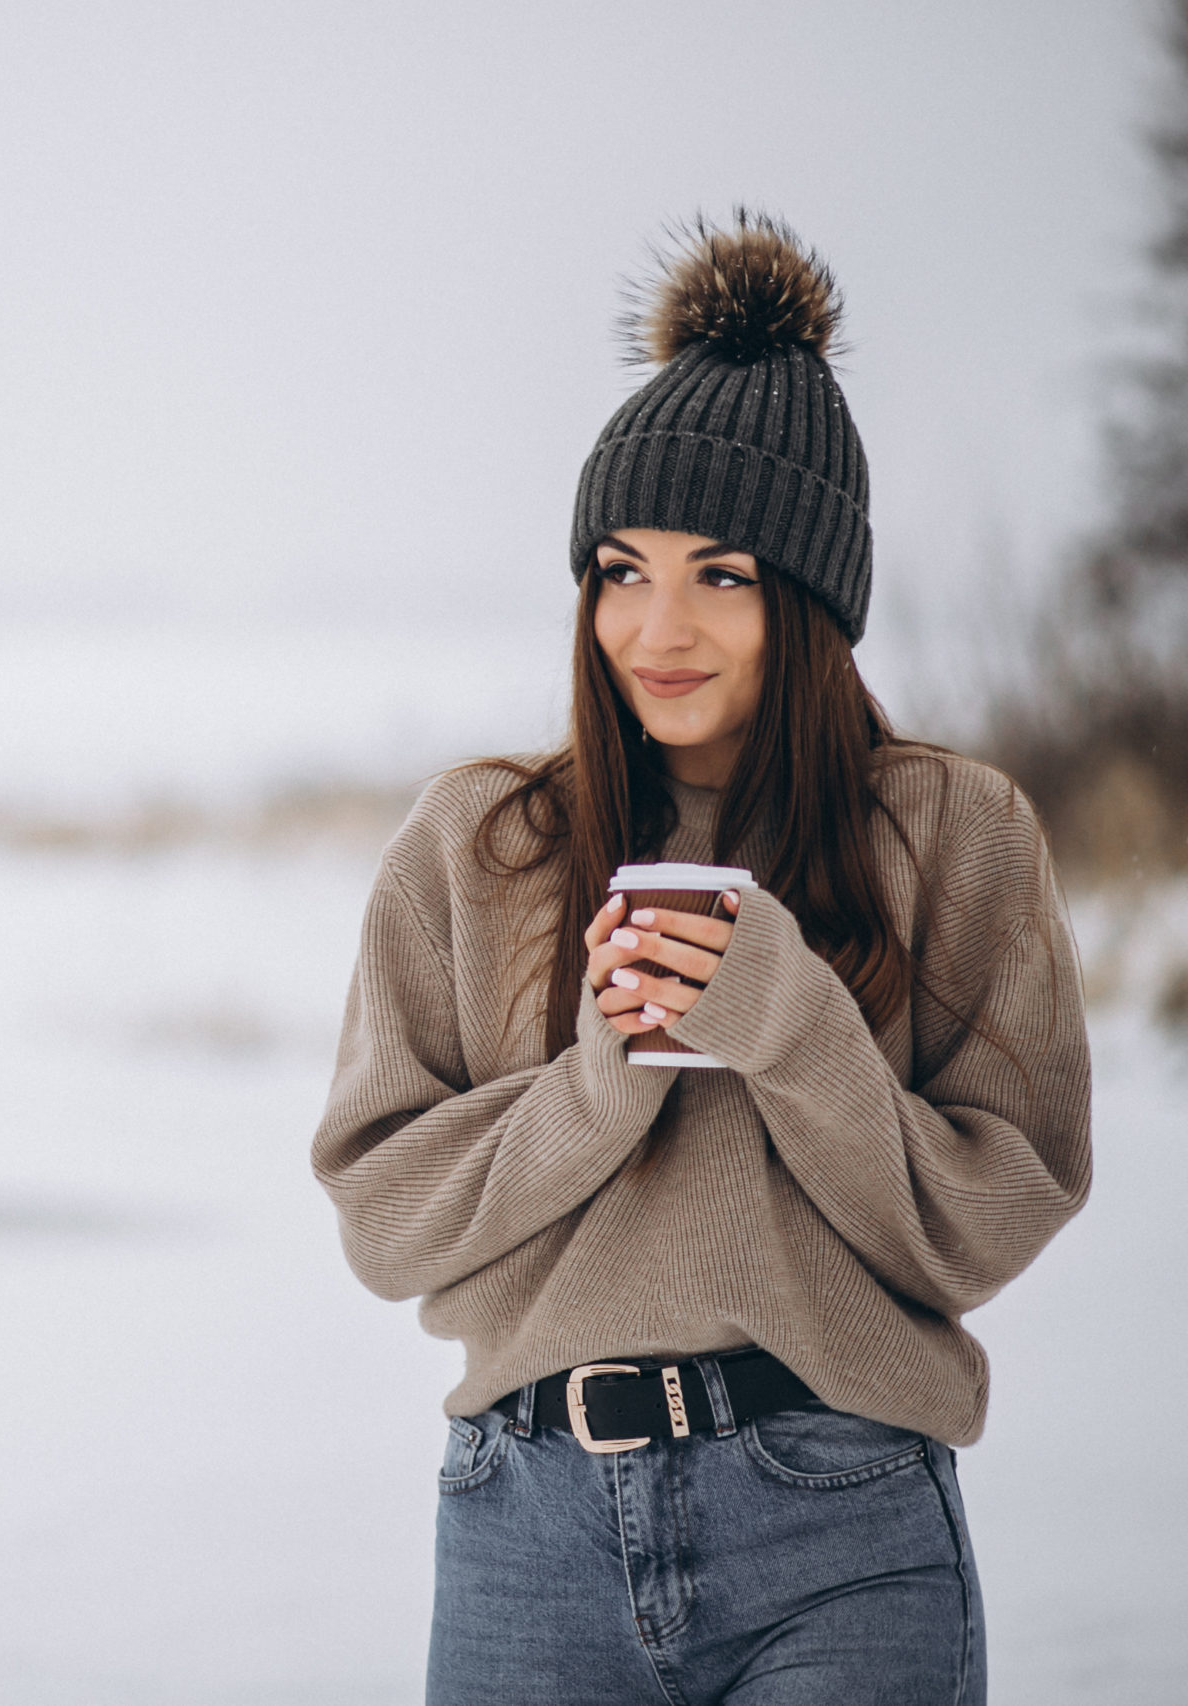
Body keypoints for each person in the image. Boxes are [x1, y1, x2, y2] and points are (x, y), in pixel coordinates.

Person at [310, 212, 1092, 1706]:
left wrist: (793, 1026)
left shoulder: (953, 834)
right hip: (525, 1531)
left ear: (807, 597)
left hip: (838, 1521)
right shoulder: (482, 847)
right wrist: (603, 1082)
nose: (656, 627)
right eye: (620, 569)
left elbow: (991, 1217)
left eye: (720, 574)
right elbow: (384, 1217)